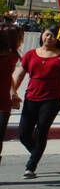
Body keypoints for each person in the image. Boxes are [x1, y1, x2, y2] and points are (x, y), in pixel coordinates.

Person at [13, 28, 60, 178]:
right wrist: (12, 92)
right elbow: (20, 74)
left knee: (42, 131)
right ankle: (37, 152)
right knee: (23, 133)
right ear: (42, 35)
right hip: (31, 97)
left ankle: (31, 166)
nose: (49, 37)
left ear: (58, 39)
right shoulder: (30, 54)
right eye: (47, 34)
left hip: (53, 99)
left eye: (53, 36)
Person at [0, 24, 22, 166]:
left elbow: (8, 76)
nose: (21, 41)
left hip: (3, 102)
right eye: (19, 37)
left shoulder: (13, 55)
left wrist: (14, 93)